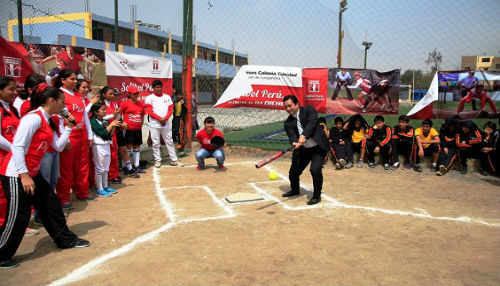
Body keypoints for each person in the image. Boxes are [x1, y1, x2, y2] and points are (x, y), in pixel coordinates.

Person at [0, 84, 90, 269]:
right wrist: (24, 175)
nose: (64, 107)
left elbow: (57, 146)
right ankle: (2, 253)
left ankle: (64, 239)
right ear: (51, 101)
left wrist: (68, 128)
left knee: (51, 204)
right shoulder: (33, 118)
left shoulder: (49, 119)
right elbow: (17, 146)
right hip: (16, 173)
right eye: (62, 103)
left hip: (32, 172)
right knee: (19, 216)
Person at [54, 70, 95, 209]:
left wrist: (89, 135)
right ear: (63, 80)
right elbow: (59, 120)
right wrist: (64, 139)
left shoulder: (78, 96)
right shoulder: (59, 95)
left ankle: (82, 191)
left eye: (75, 79)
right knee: (66, 168)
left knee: (82, 165)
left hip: (82, 134)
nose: (75, 82)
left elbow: (84, 116)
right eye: (72, 79)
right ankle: (63, 197)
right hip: (69, 135)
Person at [281, 95, 329, 205]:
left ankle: (316, 196)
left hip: (318, 148)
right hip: (303, 150)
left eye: (290, 106)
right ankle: (295, 190)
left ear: (297, 104)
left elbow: (312, 124)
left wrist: (303, 135)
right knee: (293, 172)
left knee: (315, 170)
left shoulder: (309, 110)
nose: (288, 109)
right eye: (285, 107)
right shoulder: (288, 122)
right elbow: (292, 135)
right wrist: (294, 143)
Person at [144, 80, 181, 168]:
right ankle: (158, 160)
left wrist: (165, 118)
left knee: (169, 141)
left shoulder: (167, 97)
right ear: (153, 88)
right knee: (156, 142)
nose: (159, 89)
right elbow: (149, 111)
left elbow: (171, 109)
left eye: (160, 87)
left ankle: (173, 159)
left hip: (165, 123)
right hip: (154, 124)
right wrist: (160, 119)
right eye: (157, 87)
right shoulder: (150, 98)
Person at [90, 102, 119, 197]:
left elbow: (109, 134)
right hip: (98, 146)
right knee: (99, 168)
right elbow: (102, 133)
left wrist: (114, 126)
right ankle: (100, 188)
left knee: (106, 168)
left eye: (104, 109)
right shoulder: (93, 121)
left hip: (106, 145)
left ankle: (105, 186)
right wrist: (111, 125)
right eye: (102, 110)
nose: (104, 111)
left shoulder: (104, 121)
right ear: (95, 112)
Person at [120, 86, 146, 173]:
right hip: (128, 129)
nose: (136, 95)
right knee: (128, 146)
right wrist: (122, 124)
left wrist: (141, 125)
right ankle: (126, 166)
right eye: (134, 94)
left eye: (137, 93)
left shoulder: (140, 103)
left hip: (137, 129)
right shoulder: (125, 103)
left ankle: (136, 165)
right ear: (129, 94)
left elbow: (142, 115)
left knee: (137, 146)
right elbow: (119, 114)